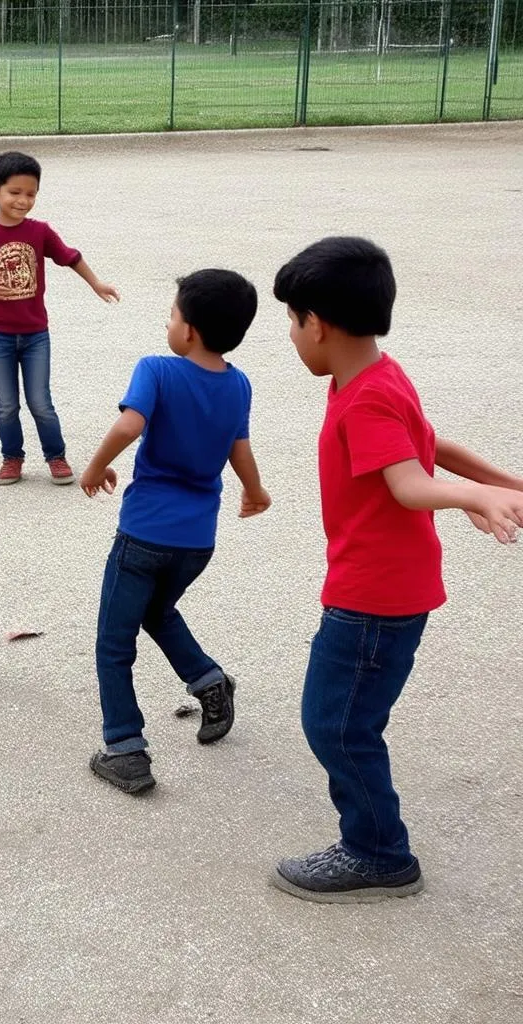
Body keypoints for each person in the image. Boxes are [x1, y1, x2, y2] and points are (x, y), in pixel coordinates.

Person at [272, 235, 523, 903]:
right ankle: (375, 842)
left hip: (371, 599)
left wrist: (475, 494)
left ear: (317, 324)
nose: (292, 336)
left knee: (336, 725)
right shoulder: (379, 375)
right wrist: (509, 483)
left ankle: (377, 851)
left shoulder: (367, 396)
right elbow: (431, 443)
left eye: (292, 322)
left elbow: (410, 481)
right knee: (348, 720)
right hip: (385, 589)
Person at [81, 270, 271, 795]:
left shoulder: (157, 371)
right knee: (158, 613)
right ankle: (209, 682)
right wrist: (254, 492)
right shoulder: (238, 383)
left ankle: (124, 748)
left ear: (188, 330)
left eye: (172, 315)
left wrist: (96, 467)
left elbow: (129, 425)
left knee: (113, 641)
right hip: (196, 542)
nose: (168, 323)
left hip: (143, 536)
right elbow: (239, 448)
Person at [0, 150, 119, 485]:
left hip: (35, 335)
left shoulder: (40, 231)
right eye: (14, 192)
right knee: (6, 405)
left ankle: (55, 455)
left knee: (40, 402)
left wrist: (96, 283)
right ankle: (12, 458)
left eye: (30, 194)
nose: (23, 200)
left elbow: (70, 257)